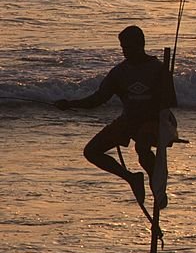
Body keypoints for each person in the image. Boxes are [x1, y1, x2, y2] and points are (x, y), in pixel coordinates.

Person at [55, 26, 175, 210]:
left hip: (155, 121)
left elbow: (171, 101)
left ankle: (157, 188)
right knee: (91, 151)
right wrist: (70, 103)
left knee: (142, 148)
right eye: (122, 47)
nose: (124, 51)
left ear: (140, 45)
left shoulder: (157, 68)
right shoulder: (119, 72)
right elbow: (98, 99)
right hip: (128, 121)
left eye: (128, 47)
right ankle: (131, 178)